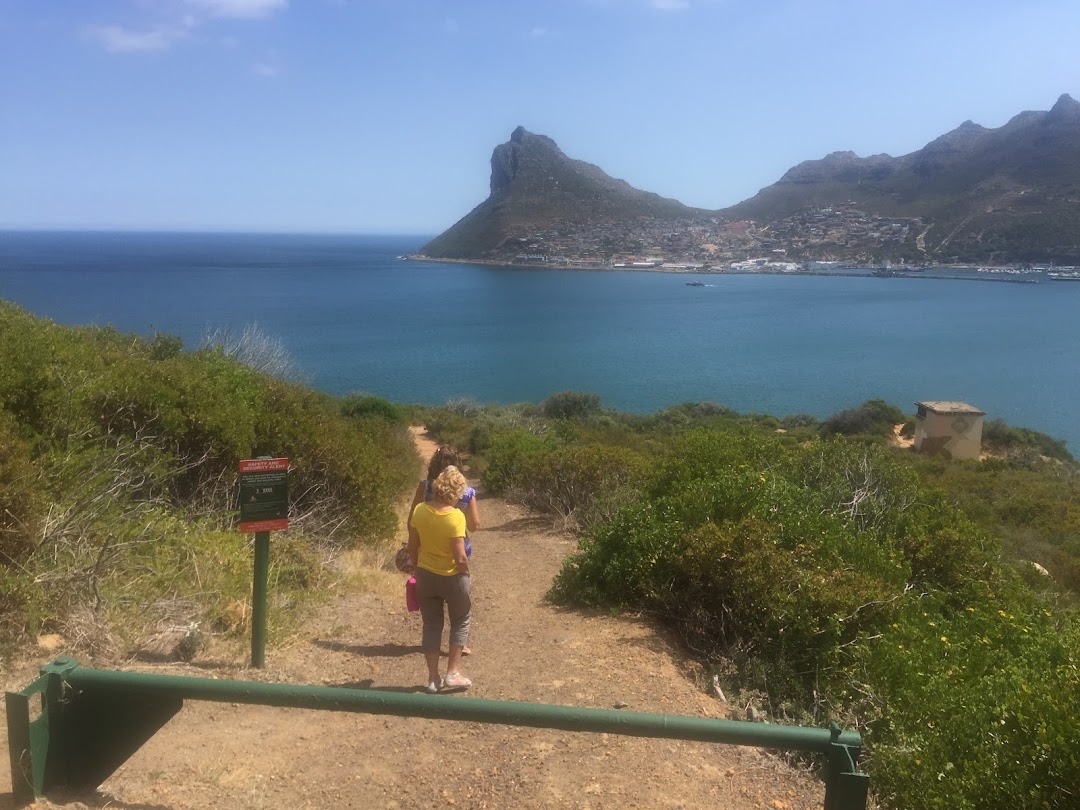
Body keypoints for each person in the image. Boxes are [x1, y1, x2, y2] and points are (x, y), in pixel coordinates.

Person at [407, 465, 472, 693]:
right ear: (455, 493)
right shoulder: (456, 517)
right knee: (461, 620)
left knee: (432, 625)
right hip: (452, 576)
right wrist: (466, 572)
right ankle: (452, 673)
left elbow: (412, 547)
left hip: (425, 575)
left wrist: (418, 570)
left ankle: (433, 678)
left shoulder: (420, 511)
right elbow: (460, 555)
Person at [408, 445, 480, 556]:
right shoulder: (467, 492)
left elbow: (412, 521)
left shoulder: (425, 487)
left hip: (428, 549)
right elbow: (473, 526)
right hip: (458, 551)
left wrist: (413, 547)